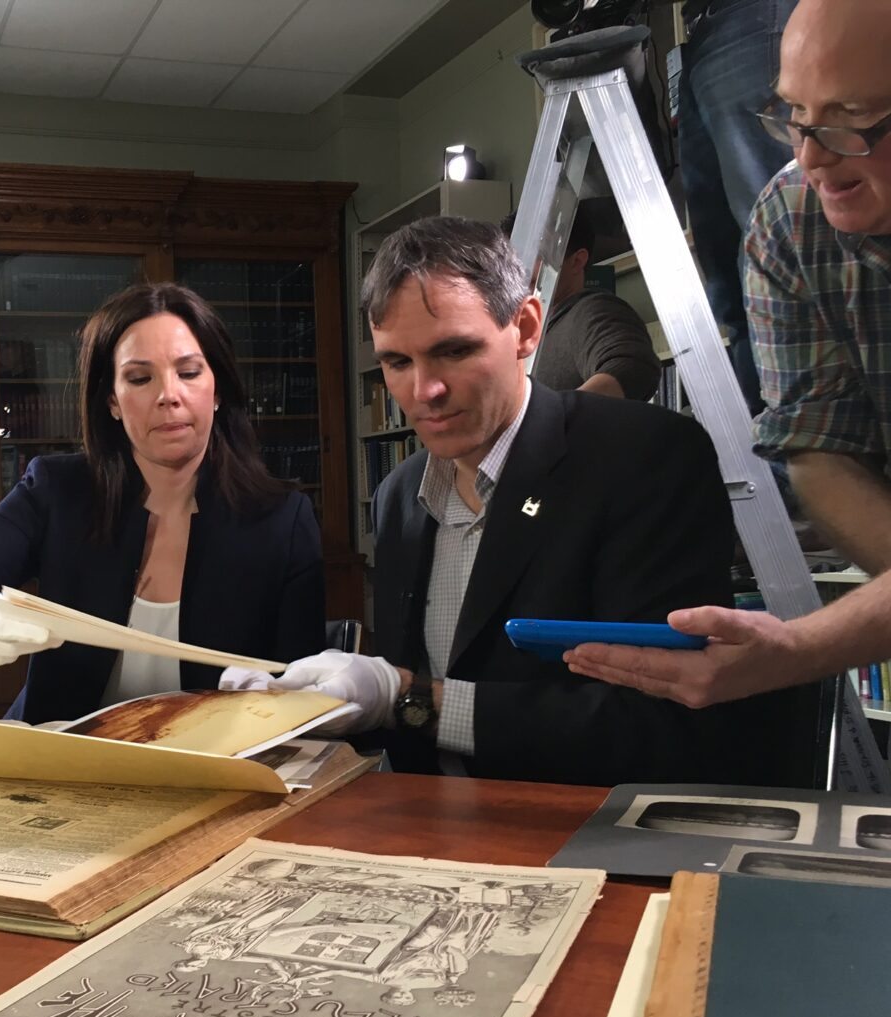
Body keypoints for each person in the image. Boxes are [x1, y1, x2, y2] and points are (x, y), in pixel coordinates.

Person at [228, 216, 778, 787]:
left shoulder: (646, 459)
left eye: (454, 351)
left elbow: (661, 725)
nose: (425, 391)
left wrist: (407, 698)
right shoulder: (399, 497)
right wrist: (306, 710)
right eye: (397, 362)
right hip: (425, 834)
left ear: (526, 327)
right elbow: (407, 715)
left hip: (586, 839)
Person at [567, 0, 891, 707]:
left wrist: (805, 646)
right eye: (793, 118)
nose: (809, 157)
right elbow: (813, 438)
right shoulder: (790, 218)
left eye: (850, 120)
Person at [0, 283, 325, 723]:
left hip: (215, 775)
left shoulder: (283, 520)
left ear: (218, 390)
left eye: (189, 372)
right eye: (139, 378)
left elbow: (303, 697)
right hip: (62, 768)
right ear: (112, 400)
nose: (168, 394)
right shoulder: (56, 491)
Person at [677, 0, 797, 416]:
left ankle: (815, 440)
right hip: (705, 33)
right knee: (731, 274)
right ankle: (769, 441)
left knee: (781, 246)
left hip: (749, 16)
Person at [503, 209, 662, 400]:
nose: (520, 269)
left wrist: (554, 420)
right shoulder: (524, 329)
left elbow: (633, 367)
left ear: (577, 261)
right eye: (512, 258)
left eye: (534, 255)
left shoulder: (591, 311)